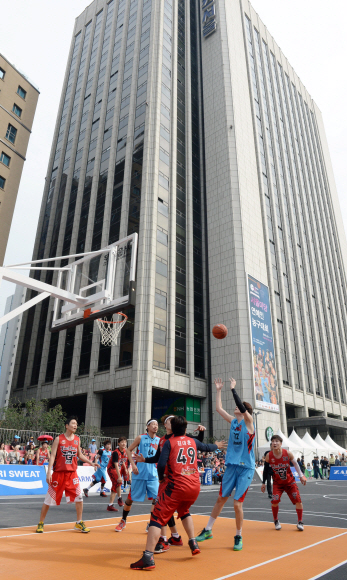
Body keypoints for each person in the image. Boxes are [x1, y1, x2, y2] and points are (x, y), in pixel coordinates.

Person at [130, 415, 222, 570]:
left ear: (172, 426)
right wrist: (216, 445)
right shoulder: (187, 440)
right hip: (194, 485)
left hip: (175, 484)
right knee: (183, 511)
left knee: (157, 517)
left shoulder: (170, 442)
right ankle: (192, 542)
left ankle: (150, 554)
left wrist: (160, 478)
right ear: (184, 429)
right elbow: (204, 446)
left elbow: (160, 464)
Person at [196, 377, 255, 551]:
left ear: (245, 411)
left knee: (237, 504)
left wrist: (233, 389)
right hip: (231, 467)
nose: (236, 407)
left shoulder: (249, 423)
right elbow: (218, 408)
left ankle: (238, 536)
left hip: (246, 469)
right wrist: (219, 390)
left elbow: (242, 408)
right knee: (220, 499)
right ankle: (207, 530)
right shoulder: (234, 422)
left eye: (239, 406)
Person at [36, 416, 98, 533]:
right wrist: (49, 471)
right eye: (73, 423)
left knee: (79, 498)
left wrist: (91, 462)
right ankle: (41, 523)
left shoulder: (77, 439)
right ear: (66, 425)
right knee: (48, 500)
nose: (75, 425)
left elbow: (79, 455)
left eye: (76, 424)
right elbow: (53, 456)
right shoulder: (58, 439)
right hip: (59, 474)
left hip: (72, 474)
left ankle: (79, 522)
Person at [115, 419, 160, 533]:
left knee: (156, 499)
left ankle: (151, 523)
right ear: (148, 426)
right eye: (153, 424)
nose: (155, 426)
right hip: (139, 473)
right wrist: (133, 465)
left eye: (157, 425)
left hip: (153, 474)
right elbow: (129, 450)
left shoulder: (160, 440)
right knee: (130, 499)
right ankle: (123, 520)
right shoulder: (141, 438)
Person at [261, 434, 306, 531]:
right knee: (275, 501)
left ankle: (300, 521)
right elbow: (265, 470)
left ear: (281, 443)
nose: (274, 443)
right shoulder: (269, 456)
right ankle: (276, 520)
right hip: (278, 483)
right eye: (273, 441)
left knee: (298, 500)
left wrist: (301, 476)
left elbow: (296, 464)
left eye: (277, 441)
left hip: (290, 482)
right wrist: (263, 482)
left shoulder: (287, 453)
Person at [107, 436, 129, 511]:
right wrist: (119, 476)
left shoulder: (124, 451)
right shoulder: (115, 452)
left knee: (115, 487)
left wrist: (125, 469)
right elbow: (116, 464)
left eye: (125, 442)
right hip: (111, 469)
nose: (124, 443)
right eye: (122, 442)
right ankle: (120, 498)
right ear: (118, 443)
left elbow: (122, 461)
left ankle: (110, 505)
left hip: (117, 469)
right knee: (119, 482)